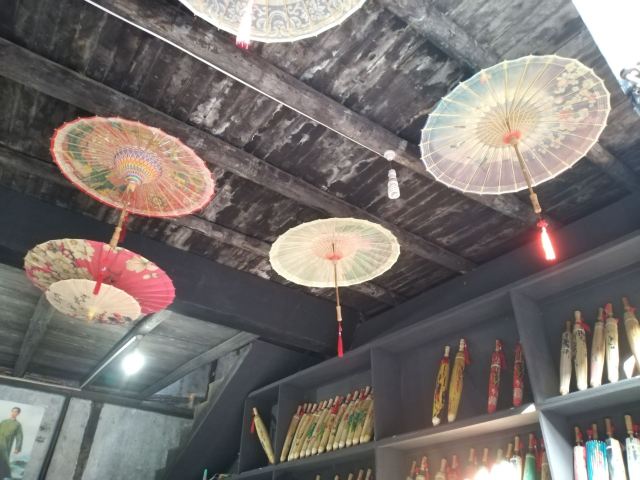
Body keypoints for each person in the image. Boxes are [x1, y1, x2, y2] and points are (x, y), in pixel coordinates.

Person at [0, 407, 23, 480]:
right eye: (13, 411)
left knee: (3, 460)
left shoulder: (18, 425)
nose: (14, 413)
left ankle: (2, 476)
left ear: (18, 414)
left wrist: (17, 448)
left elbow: (19, 437)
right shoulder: (4, 421)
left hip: (6, 445)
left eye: (16, 412)